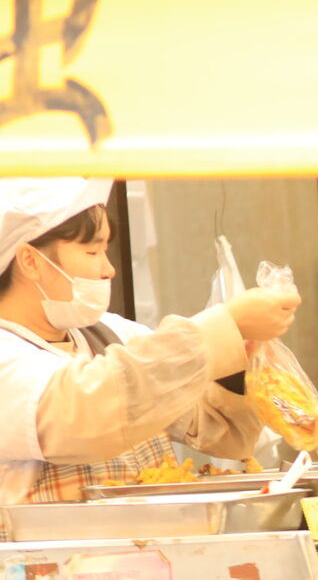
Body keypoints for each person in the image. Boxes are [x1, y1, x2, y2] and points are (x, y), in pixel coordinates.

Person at [0, 177, 299, 503]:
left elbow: (221, 433)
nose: (108, 269)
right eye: (92, 251)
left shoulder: (112, 334)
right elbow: (85, 409)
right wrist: (221, 326)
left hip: (151, 548)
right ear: (30, 261)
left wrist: (237, 355)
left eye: (106, 250)